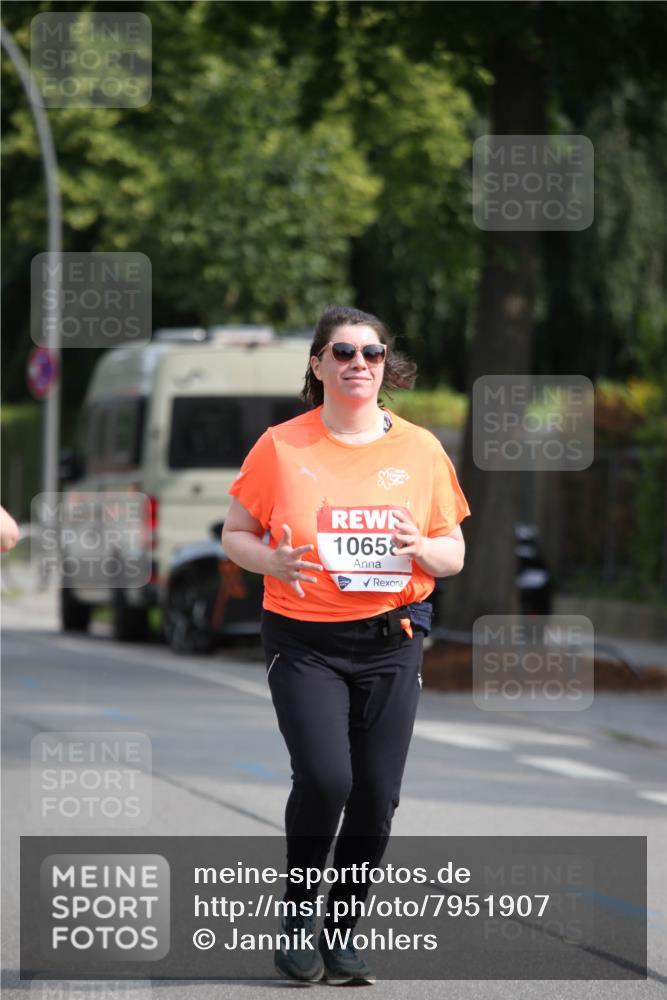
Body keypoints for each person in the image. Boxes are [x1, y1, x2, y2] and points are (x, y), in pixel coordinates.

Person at [222, 304, 470, 985]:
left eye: (371, 353)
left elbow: (452, 551)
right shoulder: (281, 446)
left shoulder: (419, 450)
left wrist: (422, 546)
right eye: (343, 353)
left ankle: (341, 927)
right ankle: (299, 913)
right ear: (317, 364)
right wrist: (268, 562)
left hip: (392, 641)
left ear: (385, 365)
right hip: (303, 640)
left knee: (375, 795)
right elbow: (235, 533)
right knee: (328, 777)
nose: (358, 364)